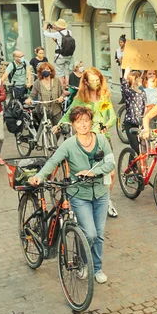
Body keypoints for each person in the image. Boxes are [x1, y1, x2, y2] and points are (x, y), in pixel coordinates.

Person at [29, 106, 115, 284]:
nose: (83, 124)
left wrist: (94, 172)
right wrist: (39, 176)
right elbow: (53, 161)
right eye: (78, 121)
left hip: (100, 192)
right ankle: (84, 263)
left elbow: (110, 163)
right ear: (74, 125)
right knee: (89, 233)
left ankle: (97, 268)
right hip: (79, 193)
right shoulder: (68, 144)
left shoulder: (101, 140)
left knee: (99, 234)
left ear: (91, 121)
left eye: (85, 120)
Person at [61, 67, 118, 215]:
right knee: (86, 174)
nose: (95, 83)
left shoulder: (104, 97)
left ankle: (106, 201)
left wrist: (107, 125)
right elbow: (69, 114)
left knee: (110, 174)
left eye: (97, 80)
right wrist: (59, 124)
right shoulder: (81, 99)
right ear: (86, 82)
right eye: (92, 81)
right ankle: (83, 203)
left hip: (102, 140)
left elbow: (111, 116)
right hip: (85, 141)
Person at [26, 62, 65, 127]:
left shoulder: (56, 80)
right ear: (40, 72)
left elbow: (62, 92)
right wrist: (29, 99)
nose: (45, 71)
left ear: (51, 71)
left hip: (56, 108)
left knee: (58, 127)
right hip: (43, 109)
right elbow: (32, 94)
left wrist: (61, 97)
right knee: (45, 127)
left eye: (47, 69)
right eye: (43, 70)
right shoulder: (37, 82)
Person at [120, 70, 146, 156]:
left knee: (140, 148)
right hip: (130, 123)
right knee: (136, 148)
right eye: (138, 78)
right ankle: (132, 167)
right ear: (133, 81)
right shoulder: (129, 93)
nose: (140, 79)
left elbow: (144, 107)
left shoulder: (142, 93)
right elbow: (123, 87)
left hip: (140, 124)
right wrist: (126, 73)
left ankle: (133, 167)